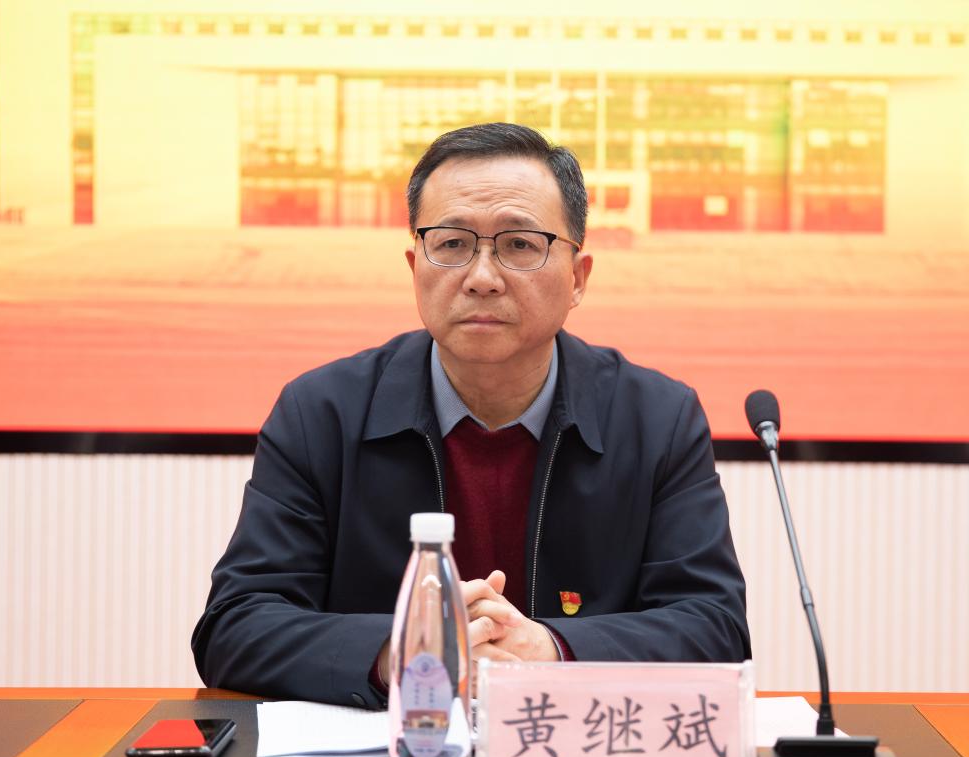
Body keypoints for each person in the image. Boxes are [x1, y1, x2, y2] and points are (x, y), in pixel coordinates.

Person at [192, 123, 750, 708]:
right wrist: (406, 652)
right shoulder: (322, 413)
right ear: (415, 266)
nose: (482, 279)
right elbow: (236, 625)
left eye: (520, 245)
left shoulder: (656, 419)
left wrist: (549, 650)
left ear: (577, 278)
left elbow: (714, 628)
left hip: (571, 756)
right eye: (453, 244)